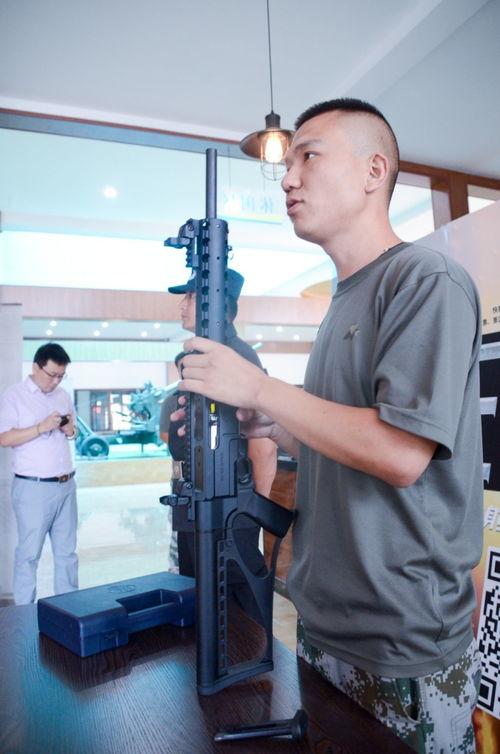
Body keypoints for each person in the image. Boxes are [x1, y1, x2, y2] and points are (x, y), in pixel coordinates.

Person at [174, 99, 483, 754]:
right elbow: (341, 447)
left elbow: (400, 453)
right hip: (323, 625)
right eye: (287, 164)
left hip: (399, 641)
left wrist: (262, 388)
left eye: (308, 156)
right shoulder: (345, 298)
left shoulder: (426, 279)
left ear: (374, 170)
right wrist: (268, 421)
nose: (288, 179)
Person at [167, 269, 277, 613]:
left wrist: (251, 514)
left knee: (237, 609)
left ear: (215, 302)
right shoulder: (208, 356)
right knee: (198, 602)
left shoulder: (236, 357)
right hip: (198, 500)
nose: (182, 305)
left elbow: (264, 443)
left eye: (190, 296)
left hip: (228, 507)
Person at [0, 342, 79, 605]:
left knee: (67, 554)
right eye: (52, 375)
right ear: (36, 367)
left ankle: (69, 611)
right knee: (29, 555)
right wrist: (41, 427)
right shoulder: (14, 395)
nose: (56, 381)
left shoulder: (62, 395)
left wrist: (70, 430)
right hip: (33, 488)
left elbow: (73, 432)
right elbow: (5, 438)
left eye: (61, 376)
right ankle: (23, 612)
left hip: (66, 484)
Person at [159, 351, 186, 570]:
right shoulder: (171, 401)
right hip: (180, 470)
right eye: (181, 367)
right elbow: (164, 435)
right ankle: (176, 569)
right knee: (179, 523)